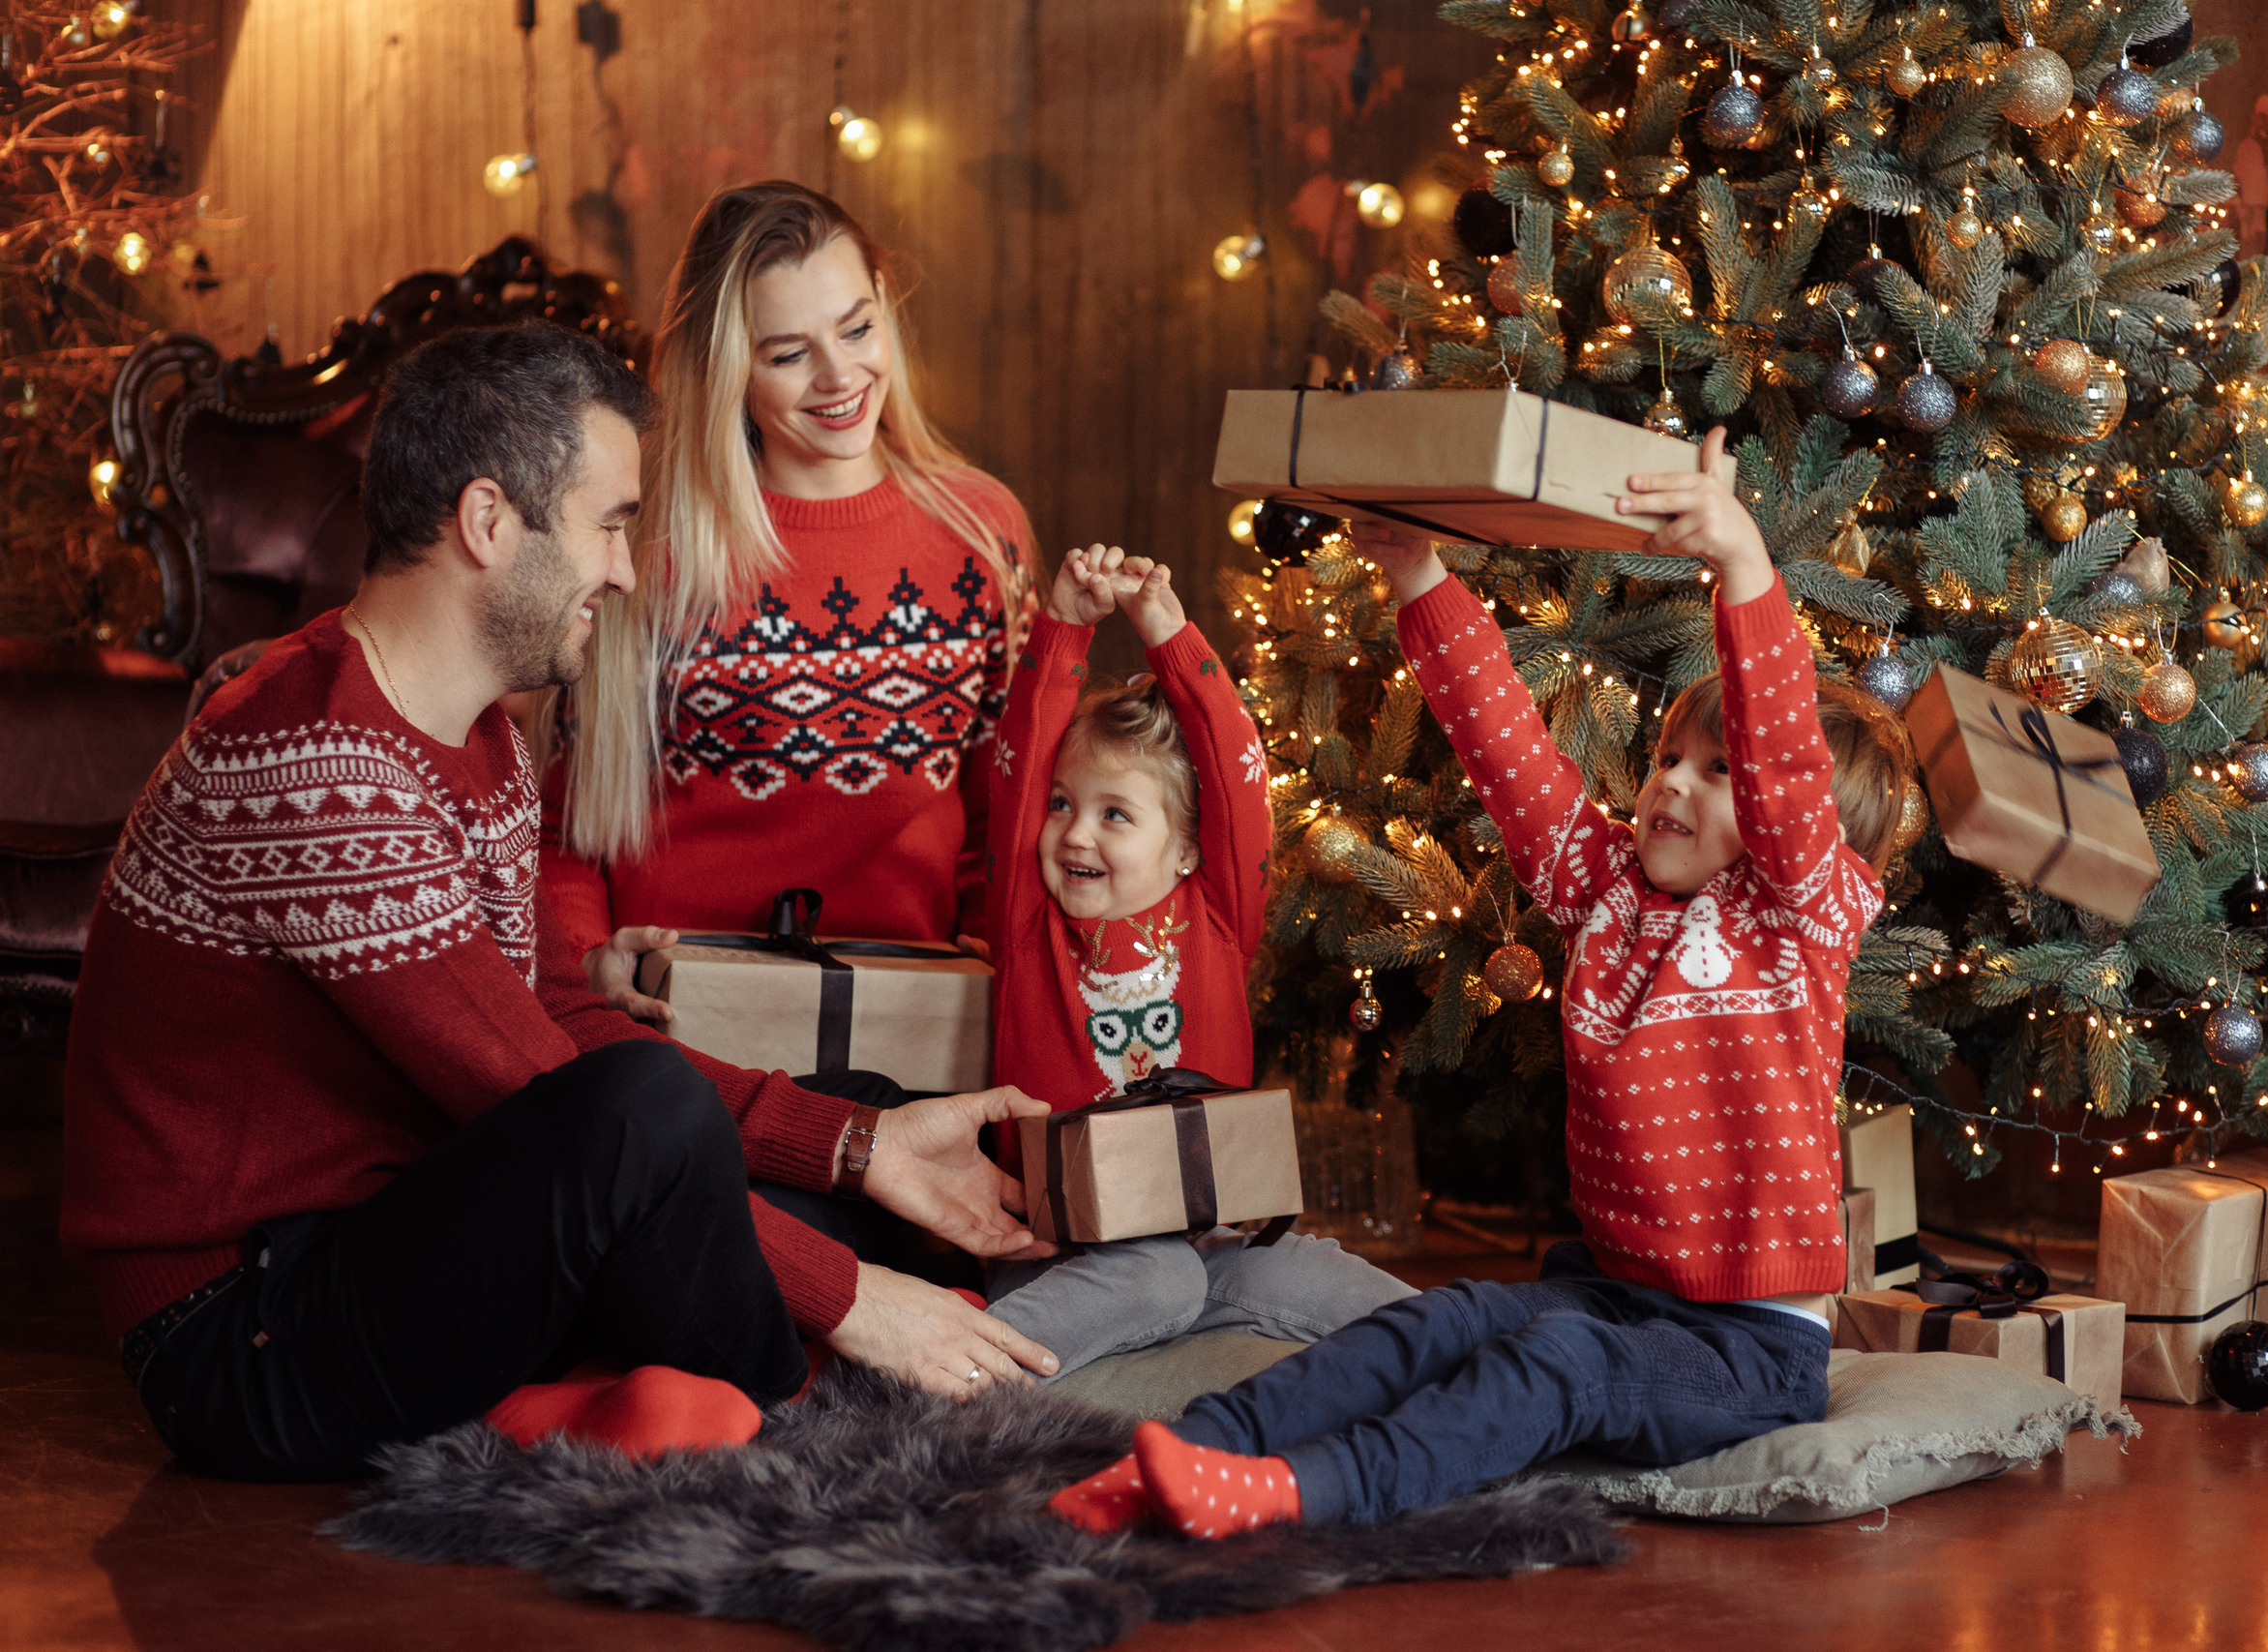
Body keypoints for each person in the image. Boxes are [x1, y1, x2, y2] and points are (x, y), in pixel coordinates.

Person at [61, 321, 1059, 1485]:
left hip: (393, 1228)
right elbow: (547, 1093)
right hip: (247, 1334)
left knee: (844, 1142)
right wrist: (853, 1303)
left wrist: (854, 1143)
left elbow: (551, 1021)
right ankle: (816, 1432)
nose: (628, 571)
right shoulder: (317, 761)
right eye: (611, 525)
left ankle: (651, 1391)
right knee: (662, 1128)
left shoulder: (474, 730)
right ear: (490, 524)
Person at [1048, 429, 1912, 1536]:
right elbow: (1511, 757)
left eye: (1718, 772)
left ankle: (1303, 1492)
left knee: (1557, 1363)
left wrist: (1742, 566)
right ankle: (1192, 1451)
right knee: (1440, 1322)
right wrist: (1419, 577)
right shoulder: (1609, 891)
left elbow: (1788, 765)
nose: (1673, 789)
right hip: (1613, 1289)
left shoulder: (1802, 919)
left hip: (1747, 1348)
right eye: (1667, 762)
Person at [545, 181, 1033, 1024]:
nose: (840, 377)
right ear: (725, 369)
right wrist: (590, 964)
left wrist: (998, 972)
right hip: (684, 1031)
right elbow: (563, 823)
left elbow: (1009, 816)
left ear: (886, 304)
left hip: (920, 1022)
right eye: (786, 353)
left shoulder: (982, 531)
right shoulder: (649, 546)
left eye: (856, 327)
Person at [973, 544, 1413, 1379]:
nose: (1074, 832)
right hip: (1056, 1253)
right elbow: (1020, 762)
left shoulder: (1214, 916)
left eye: (1114, 814)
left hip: (1205, 1243)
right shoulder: (1030, 927)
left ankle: (1506, 1374)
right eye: (1064, 805)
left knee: (1373, 1299)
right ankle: (952, 1368)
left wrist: (1168, 633)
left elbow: (1233, 765)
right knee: (1158, 1277)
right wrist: (1065, 626)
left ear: (1185, 850)